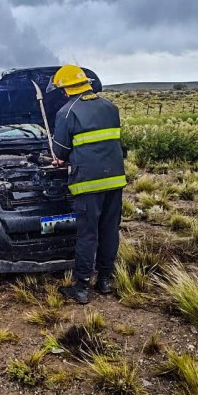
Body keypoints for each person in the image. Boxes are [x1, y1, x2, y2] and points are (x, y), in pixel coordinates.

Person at [50, 64, 126, 304]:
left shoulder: (66, 111)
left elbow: (60, 153)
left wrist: (60, 160)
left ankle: (81, 288)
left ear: (66, 89)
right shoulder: (110, 107)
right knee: (109, 231)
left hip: (87, 184)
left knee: (87, 235)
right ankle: (105, 281)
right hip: (115, 179)